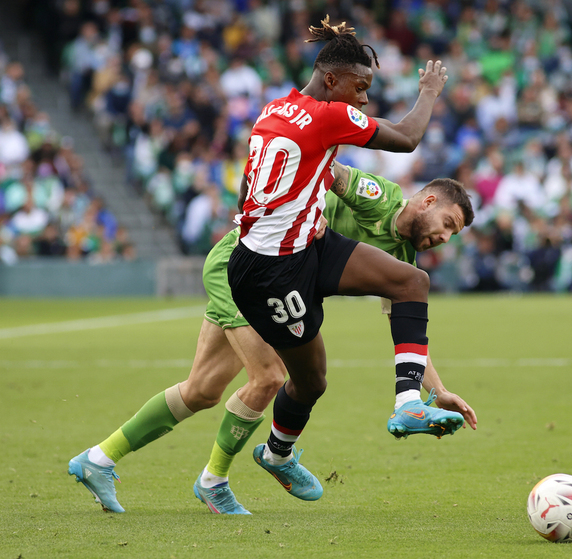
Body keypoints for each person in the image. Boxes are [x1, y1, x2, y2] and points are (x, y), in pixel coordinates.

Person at [68, 161, 476, 514]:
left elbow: (405, 331)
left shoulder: (403, 260)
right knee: (268, 377)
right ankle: (214, 482)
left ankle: (98, 459)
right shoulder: (378, 196)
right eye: (448, 224)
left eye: (452, 234)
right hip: (244, 267)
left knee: (202, 391)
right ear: (427, 202)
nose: (445, 237)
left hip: (268, 282)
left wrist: (437, 390)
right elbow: (319, 170)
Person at [226, 17, 465, 503]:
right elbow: (407, 137)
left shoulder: (277, 107)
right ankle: (273, 456)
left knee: (410, 282)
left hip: (308, 242)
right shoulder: (327, 116)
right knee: (310, 380)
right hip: (270, 270)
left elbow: (279, 176)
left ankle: (407, 403)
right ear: (331, 79)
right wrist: (431, 92)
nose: (363, 100)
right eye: (361, 87)